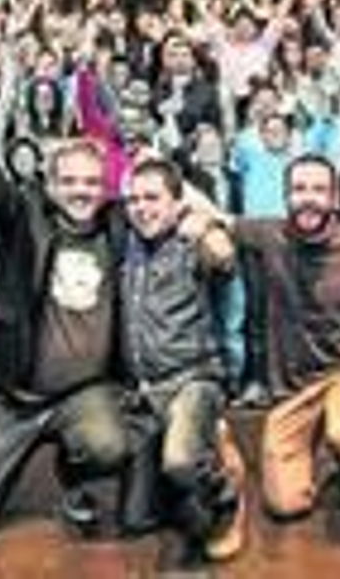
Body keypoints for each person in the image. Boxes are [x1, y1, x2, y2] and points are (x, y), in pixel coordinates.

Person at [0, 137, 132, 541]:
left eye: (92, 182)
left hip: (82, 394)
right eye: (71, 181)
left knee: (110, 445)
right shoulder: (26, 220)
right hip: (16, 398)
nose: (82, 191)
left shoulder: (117, 227)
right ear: (52, 186)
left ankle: (73, 477)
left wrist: (210, 225)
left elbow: (172, 206)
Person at [235, 155, 340, 540]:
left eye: (319, 190)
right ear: (286, 196)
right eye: (299, 189)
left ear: (335, 198)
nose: (309, 198)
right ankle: (327, 456)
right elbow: (213, 217)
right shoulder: (268, 234)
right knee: (286, 504)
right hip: (294, 386)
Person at [116, 159, 247, 565]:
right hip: (144, 392)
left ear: (177, 204)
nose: (141, 207)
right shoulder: (128, 245)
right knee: (136, 519)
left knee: (180, 462)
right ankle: (198, 461)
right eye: (134, 199)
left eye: (153, 198)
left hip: (193, 380)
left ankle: (228, 490)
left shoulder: (193, 241)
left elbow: (225, 259)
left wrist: (206, 223)